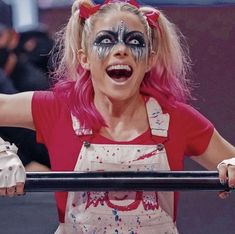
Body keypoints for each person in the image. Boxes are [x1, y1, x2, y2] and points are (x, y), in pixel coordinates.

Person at [0, 0, 234, 233]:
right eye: (106, 40)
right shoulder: (57, 109)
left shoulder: (176, 119)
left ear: (149, 60)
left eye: (134, 41)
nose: (121, 50)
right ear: (85, 58)